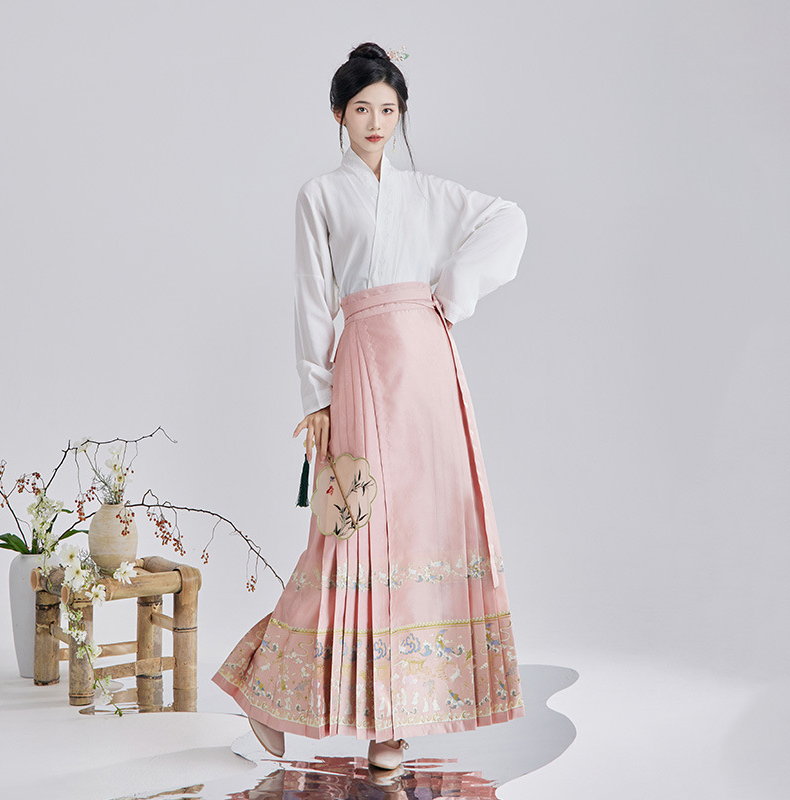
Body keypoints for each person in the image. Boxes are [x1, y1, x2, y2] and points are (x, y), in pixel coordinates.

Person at [212, 41, 528, 771]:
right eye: (363, 109)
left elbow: (508, 219)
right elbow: (311, 298)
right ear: (339, 115)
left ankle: (392, 725)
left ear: (401, 114)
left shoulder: (428, 193)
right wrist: (316, 396)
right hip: (360, 366)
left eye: (388, 109)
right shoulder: (320, 196)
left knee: (422, 532)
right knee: (350, 534)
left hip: (430, 368)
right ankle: (265, 691)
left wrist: (453, 290)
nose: (377, 122)